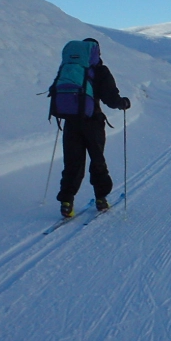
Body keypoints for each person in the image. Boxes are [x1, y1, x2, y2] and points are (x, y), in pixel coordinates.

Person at [56, 38, 131, 218]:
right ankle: (101, 199)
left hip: (71, 121)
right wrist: (123, 103)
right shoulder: (100, 71)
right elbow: (111, 99)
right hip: (93, 122)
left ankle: (67, 202)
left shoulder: (68, 67)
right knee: (97, 160)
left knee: (72, 163)